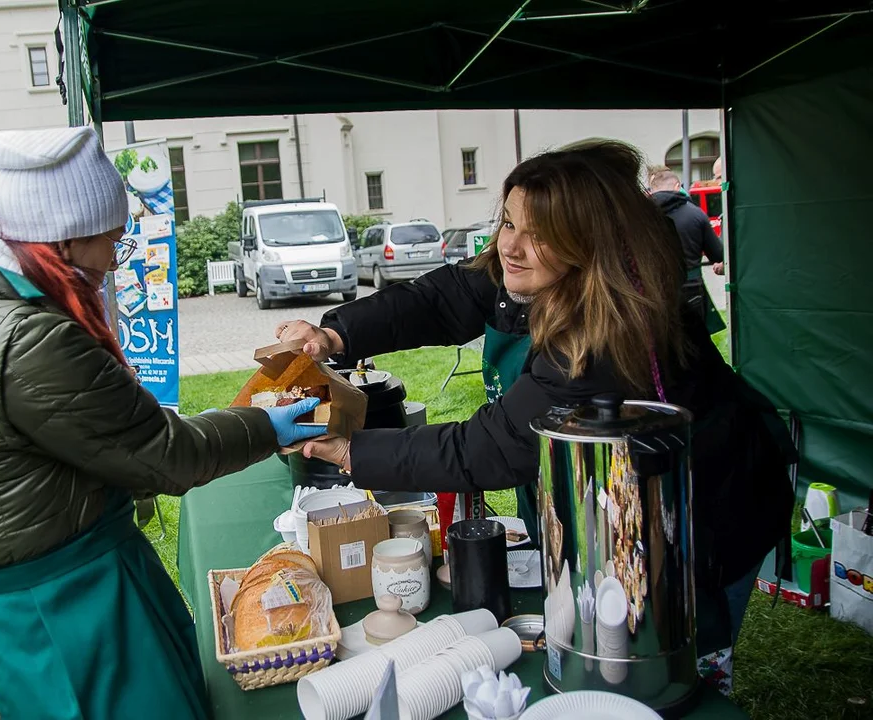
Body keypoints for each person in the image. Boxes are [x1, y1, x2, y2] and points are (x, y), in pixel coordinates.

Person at [278, 141, 794, 693]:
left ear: (588, 242)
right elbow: (447, 295)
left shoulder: (602, 339)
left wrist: (352, 450)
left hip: (704, 509)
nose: (512, 247)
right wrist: (336, 333)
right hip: (610, 497)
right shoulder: (542, 271)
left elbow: (488, 448)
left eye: (540, 234)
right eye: (508, 223)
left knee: (673, 667)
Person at [0, 126, 325, 720]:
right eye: (110, 238)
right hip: (54, 626)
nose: (115, 257)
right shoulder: (31, 338)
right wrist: (265, 425)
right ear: (64, 240)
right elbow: (163, 453)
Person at [649, 169, 725, 320]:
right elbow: (718, 254)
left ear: (652, 189)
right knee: (695, 340)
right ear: (677, 186)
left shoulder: (640, 216)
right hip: (691, 289)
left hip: (653, 291)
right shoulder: (695, 214)